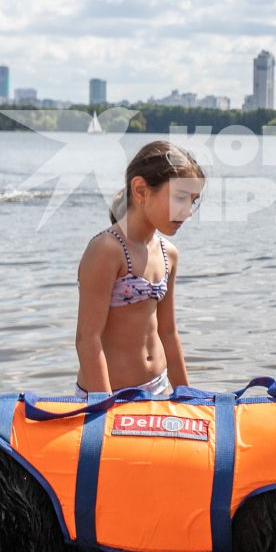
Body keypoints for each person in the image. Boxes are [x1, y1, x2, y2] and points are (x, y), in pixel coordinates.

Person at [75, 140, 205, 395]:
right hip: (108, 396)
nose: (187, 211)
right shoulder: (107, 250)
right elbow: (87, 339)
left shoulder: (169, 255)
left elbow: (168, 332)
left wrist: (189, 398)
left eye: (193, 200)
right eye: (180, 197)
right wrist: (104, 408)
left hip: (159, 388)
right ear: (141, 190)